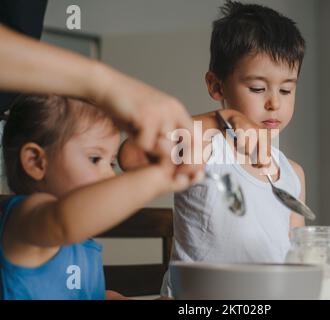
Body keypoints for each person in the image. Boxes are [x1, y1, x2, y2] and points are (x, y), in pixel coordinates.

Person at [155, 1, 307, 297]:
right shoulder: (205, 148)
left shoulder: (293, 174)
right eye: (258, 88)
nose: (274, 103)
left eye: (286, 90)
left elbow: (296, 256)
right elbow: (133, 153)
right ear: (216, 86)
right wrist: (219, 119)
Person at [0, 94, 203, 299]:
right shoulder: (26, 220)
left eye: (111, 163)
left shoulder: (80, 243)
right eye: (95, 158)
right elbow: (62, 221)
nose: (110, 175)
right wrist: (163, 174)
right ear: (36, 162)